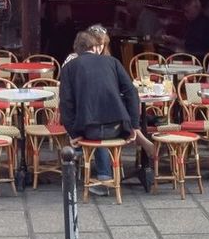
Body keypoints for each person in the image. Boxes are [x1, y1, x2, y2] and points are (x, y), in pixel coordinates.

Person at [59, 29, 154, 190]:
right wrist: (133, 126)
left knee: (88, 133)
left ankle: (87, 168)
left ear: (77, 49)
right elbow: (131, 92)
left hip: (89, 130)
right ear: (94, 47)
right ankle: (102, 174)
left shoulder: (69, 68)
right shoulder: (112, 62)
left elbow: (66, 104)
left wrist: (74, 134)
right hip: (117, 128)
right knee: (98, 125)